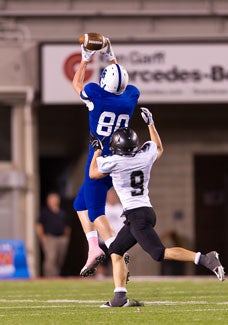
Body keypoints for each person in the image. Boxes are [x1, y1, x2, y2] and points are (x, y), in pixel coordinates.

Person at [89, 107, 225, 307]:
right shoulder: (144, 156)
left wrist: (97, 150)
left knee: (159, 253)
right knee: (116, 250)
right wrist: (150, 123)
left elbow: (93, 173)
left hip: (136, 215)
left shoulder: (115, 161)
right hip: (144, 212)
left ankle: (205, 259)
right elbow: (159, 148)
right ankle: (120, 297)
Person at [72, 38, 140, 276]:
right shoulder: (130, 96)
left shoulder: (96, 95)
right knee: (79, 203)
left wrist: (85, 59)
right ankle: (93, 248)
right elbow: (120, 83)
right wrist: (112, 57)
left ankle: (115, 249)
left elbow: (77, 83)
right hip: (118, 158)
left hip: (98, 158)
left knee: (95, 212)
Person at [36, 192, 71, 277]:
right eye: (52, 199)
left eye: (55, 199)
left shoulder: (63, 212)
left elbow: (68, 226)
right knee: (51, 257)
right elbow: (39, 225)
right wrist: (42, 237)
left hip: (61, 238)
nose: (54, 201)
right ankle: (49, 276)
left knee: (59, 258)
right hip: (50, 238)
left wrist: (66, 237)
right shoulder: (44, 212)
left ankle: (56, 275)